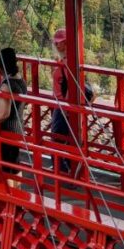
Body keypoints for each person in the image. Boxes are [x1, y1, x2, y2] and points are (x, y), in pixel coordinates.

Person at [50, 27, 74, 174]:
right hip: (62, 105)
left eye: (59, 43)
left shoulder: (67, 62)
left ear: (66, 43)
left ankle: (61, 172)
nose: (57, 45)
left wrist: (66, 108)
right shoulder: (65, 60)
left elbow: (71, 86)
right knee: (67, 139)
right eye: (56, 43)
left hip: (63, 106)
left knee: (57, 139)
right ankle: (67, 169)